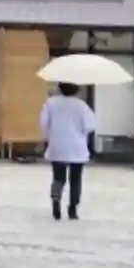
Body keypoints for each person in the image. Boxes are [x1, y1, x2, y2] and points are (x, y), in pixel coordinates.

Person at [38, 81, 98, 221]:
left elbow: (43, 124)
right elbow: (90, 126)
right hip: (77, 147)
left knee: (58, 177)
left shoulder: (50, 103)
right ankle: (73, 208)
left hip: (57, 145)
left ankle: (56, 201)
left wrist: (50, 135)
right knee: (75, 179)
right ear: (76, 90)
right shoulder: (81, 106)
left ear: (60, 88)